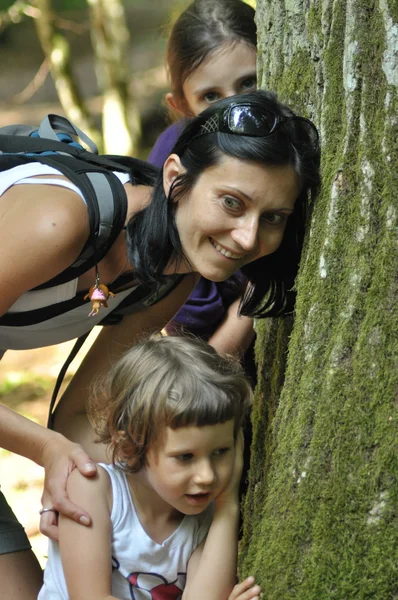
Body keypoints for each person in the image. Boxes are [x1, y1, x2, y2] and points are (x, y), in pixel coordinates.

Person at [0, 89, 320, 598]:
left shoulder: (174, 274)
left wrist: (171, 479)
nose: (246, 237)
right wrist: (50, 451)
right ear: (175, 177)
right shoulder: (60, 220)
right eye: (232, 202)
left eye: (273, 217)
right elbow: (61, 438)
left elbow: (79, 416)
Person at [37, 335, 261, 600]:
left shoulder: (208, 516)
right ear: (130, 447)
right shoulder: (93, 489)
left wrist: (228, 503)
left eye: (221, 452)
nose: (207, 476)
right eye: (185, 457)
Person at [149, 0, 257, 373]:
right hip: (207, 357)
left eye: (249, 83)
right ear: (181, 104)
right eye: (211, 96)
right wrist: (253, 303)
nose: (236, 110)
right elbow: (191, 326)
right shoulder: (174, 168)